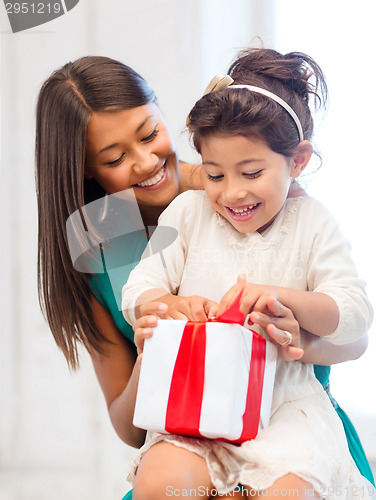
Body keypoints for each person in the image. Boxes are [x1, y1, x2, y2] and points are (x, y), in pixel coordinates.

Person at [35, 54, 373, 499]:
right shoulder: (100, 243)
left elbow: (351, 331)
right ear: (84, 169)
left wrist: (300, 339)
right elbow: (128, 426)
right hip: (186, 434)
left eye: (150, 133)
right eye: (115, 157)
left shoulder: (260, 188)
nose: (144, 161)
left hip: (290, 427)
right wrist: (153, 345)